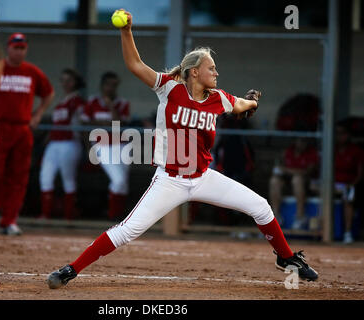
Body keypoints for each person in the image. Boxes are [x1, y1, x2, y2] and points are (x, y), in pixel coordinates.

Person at [47, 10, 318, 289]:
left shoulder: (217, 98)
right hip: (170, 180)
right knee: (127, 231)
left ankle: (286, 258)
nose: (216, 72)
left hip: (203, 177)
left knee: (261, 207)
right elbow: (135, 64)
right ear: (194, 72)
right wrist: (126, 31)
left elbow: (241, 105)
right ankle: (70, 269)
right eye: (211, 68)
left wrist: (252, 103)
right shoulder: (169, 89)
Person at [0, 32, 54, 235]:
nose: (19, 51)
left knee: (18, 177)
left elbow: (48, 93)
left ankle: (9, 221)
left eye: (22, 48)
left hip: (22, 129)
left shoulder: (31, 72)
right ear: (8, 48)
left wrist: (38, 115)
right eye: (16, 47)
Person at [81, 72, 131, 220]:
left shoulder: (122, 103)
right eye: (108, 84)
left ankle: (120, 217)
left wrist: (110, 107)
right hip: (101, 145)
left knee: (123, 183)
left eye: (114, 85)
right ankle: (113, 216)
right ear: (102, 85)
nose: (111, 88)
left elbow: (119, 124)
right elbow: (84, 125)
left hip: (122, 145)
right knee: (118, 180)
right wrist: (88, 147)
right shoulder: (92, 102)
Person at [38, 69, 86, 220]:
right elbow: (54, 125)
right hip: (54, 143)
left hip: (70, 143)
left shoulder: (78, 101)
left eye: (69, 80)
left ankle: (68, 216)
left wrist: (88, 146)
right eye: (63, 80)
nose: (65, 84)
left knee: (68, 178)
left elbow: (82, 124)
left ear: (76, 83)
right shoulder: (61, 101)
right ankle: (45, 214)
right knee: (45, 176)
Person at [269, 138, 319, 229]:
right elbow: (280, 168)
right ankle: (275, 216)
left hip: (306, 184)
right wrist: (283, 170)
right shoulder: (288, 151)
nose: (301, 144)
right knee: (274, 181)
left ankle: (300, 216)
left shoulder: (311, 153)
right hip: (288, 181)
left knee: (297, 180)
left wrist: (288, 170)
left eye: (304, 141)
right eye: (299, 140)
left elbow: (307, 172)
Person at [333, 122, 364, 244]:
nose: (340, 136)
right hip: (331, 185)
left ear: (349, 135)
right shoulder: (331, 149)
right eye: (337, 133)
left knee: (348, 197)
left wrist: (351, 184)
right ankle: (318, 229)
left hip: (348, 184)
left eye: (343, 133)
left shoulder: (356, 151)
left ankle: (347, 232)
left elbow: (360, 174)